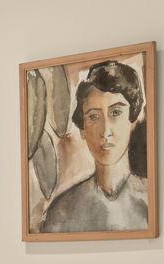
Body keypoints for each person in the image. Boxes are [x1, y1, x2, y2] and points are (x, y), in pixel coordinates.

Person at [39, 60, 149, 233]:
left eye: (116, 113)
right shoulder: (60, 212)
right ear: (83, 129)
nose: (105, 132)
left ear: (133, 119)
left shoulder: (151, 201)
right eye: (93, 117)